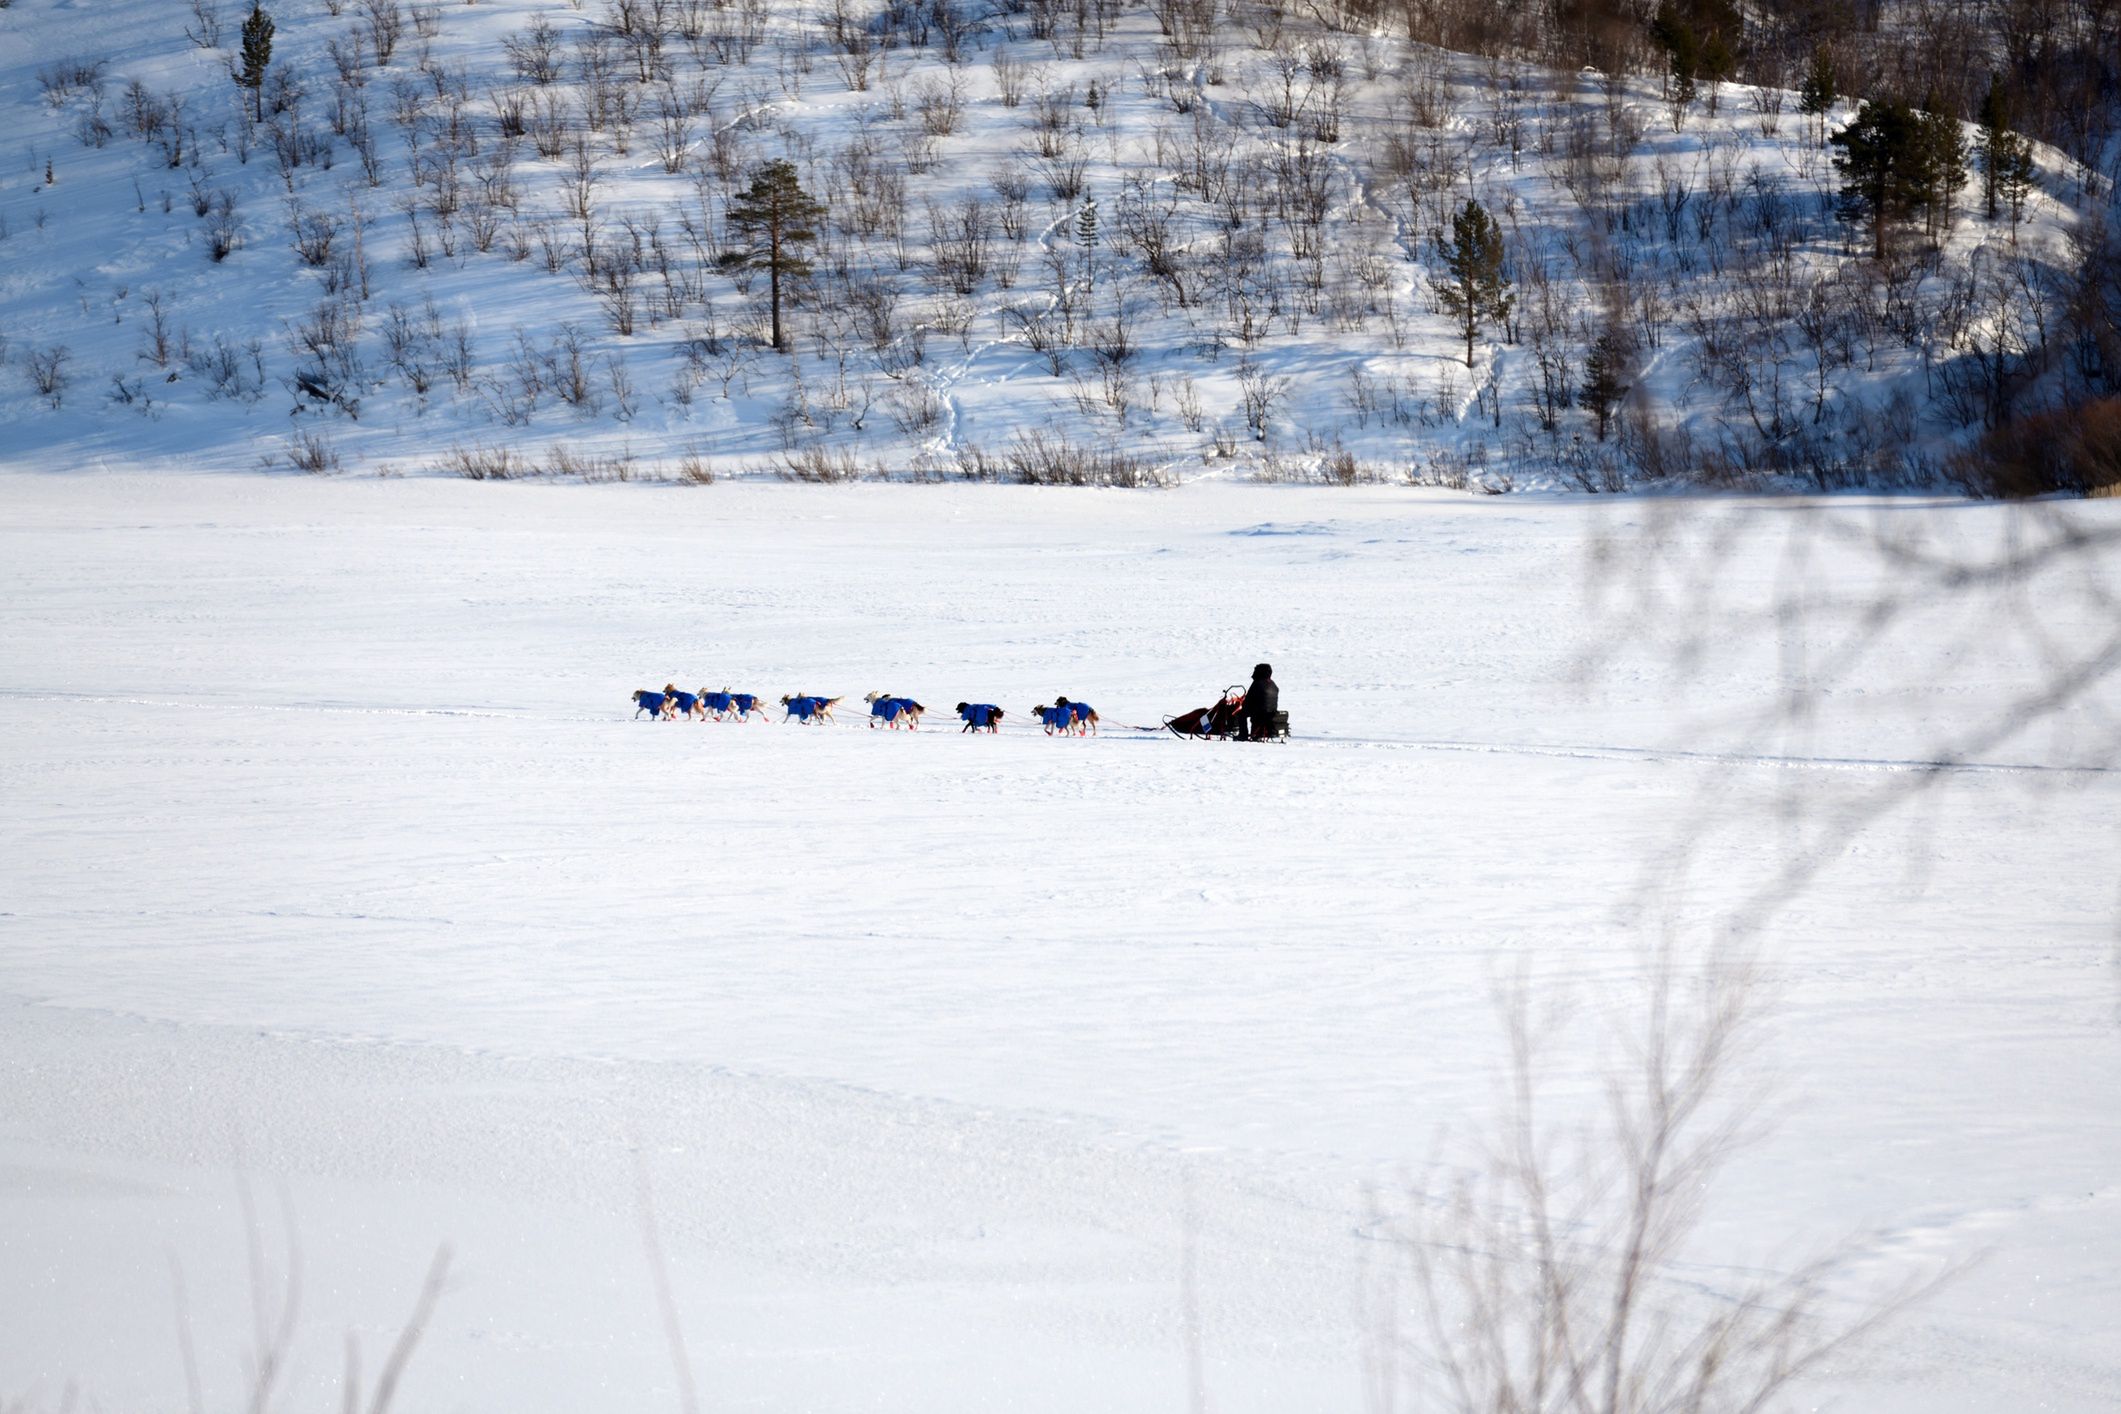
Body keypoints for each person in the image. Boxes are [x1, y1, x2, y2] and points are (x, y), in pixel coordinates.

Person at [1241, 662, 1278, 740]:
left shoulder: (1257, 683)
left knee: (1241, 714)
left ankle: (1243, 735)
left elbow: (1249, 698)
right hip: (1271, 712)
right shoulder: (1273, 684)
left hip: (1259, 712)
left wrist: (1244, 706)